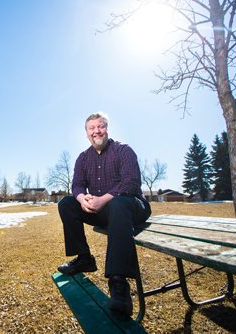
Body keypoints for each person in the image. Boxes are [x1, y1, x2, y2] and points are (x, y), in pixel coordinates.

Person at [57, 112, 151, 316]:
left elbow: (130, 183)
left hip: (132, 206)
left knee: (118, 203)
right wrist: (82, 199)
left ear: (107, 129)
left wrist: (103, 199)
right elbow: (77, 185)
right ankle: (84, 259)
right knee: (66, 204)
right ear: (86, 133)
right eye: (92, 128)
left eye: (101, 126)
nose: (96, 131)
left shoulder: (123, 151)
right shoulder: (83, 158)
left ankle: (119, 283)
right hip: (104, 209)